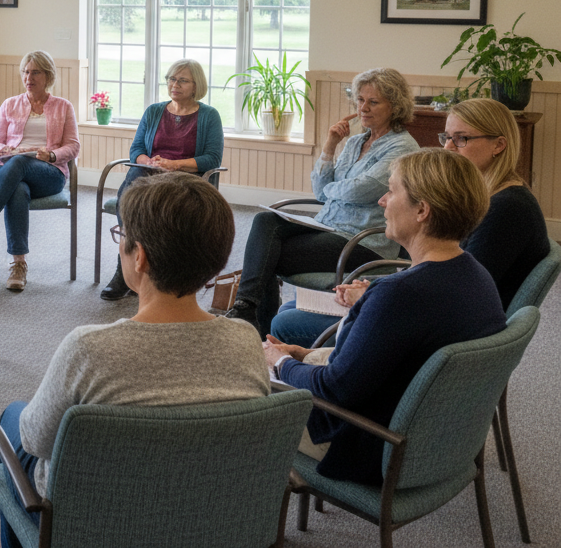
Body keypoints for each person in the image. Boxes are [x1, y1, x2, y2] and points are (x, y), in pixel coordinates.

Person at [0, 173, 268, 548]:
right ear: (216, 265)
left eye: (122, 237)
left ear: (140, 257)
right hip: (206, 519)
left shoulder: (88, 349)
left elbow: (36, 441)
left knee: (12, 421)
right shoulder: (246, 342)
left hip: (91, 522)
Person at [265, 148, 506, 485]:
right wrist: (303, 355)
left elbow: (334, 391)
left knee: (248, 392)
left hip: (373, 445)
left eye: (391, 191)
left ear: (422, 210)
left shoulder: (399, 294)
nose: (382, 200)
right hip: (433, 441)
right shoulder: (476, 276)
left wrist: (279, 363)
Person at [269, 97, 552, 346]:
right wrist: (375, 291)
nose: (449, 148)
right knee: (291, 308)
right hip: (436, 315)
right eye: (447, 138)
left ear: (498, 145)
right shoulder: (493, 198)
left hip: (446, 333)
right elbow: (442, 276)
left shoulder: (506, 209)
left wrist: (371, 298)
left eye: (461, 139)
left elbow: (457, 292)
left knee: (286, 322)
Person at [225, 68, 421, 335]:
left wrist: (330, 188)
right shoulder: (354, 142)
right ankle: (248, 309)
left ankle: (257, 325)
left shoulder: (402, 147)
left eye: (373, 102)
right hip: (327, 227)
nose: (363, 108)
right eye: (360, 100)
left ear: (395, 106)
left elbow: (360, 190)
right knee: (265, 220)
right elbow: (320, 191)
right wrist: (329, 145)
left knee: (267, 257)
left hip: (362, 241)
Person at [100, 58, 224, 301]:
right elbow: (136, 149)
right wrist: (151, 162)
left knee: (150, 197)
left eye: (182, 80)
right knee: (135, 176)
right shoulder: (154, 111)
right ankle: (125, 270)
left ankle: (155, 273)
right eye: (171, 79)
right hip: (150, 174)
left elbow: (212, 158)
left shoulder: (209, 116)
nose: (175, 84)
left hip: (186, 179)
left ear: (196, 85)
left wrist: (174, 165)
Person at [0, 51, 80, 292]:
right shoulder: (10, 104)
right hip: (9, 171)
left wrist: (52, 155)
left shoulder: (63, 107)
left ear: (48, 76)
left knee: (19, 162)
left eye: (35, 72)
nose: (29, 77)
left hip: (48, 172)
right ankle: (18, 263)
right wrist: (4, 148)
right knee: (17, 188)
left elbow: (73, 146)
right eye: (26, 72)